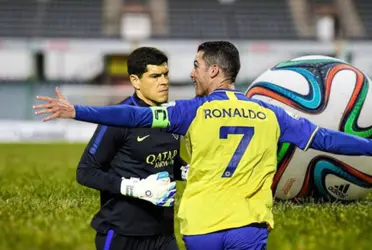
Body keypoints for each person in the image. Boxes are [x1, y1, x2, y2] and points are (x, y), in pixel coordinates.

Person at [33, 41, 372, 250]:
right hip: (248, 225)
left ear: (212, 70)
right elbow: (326, 139)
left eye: (195, 66)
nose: (190, 74)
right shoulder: (269, 112)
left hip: (199, 228)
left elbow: (132, 117)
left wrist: (77, 110)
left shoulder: (189, 112)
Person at [75, 47, 188, 250]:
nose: (164, 82)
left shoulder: (171, 116)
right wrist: (135, 188)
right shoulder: (118, 119)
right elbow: (85, 171)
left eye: (165, 74)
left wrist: (187, 171)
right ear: (135, 81)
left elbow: (166, 159)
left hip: (163, 234)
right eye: (155, 76)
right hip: (122, 234)